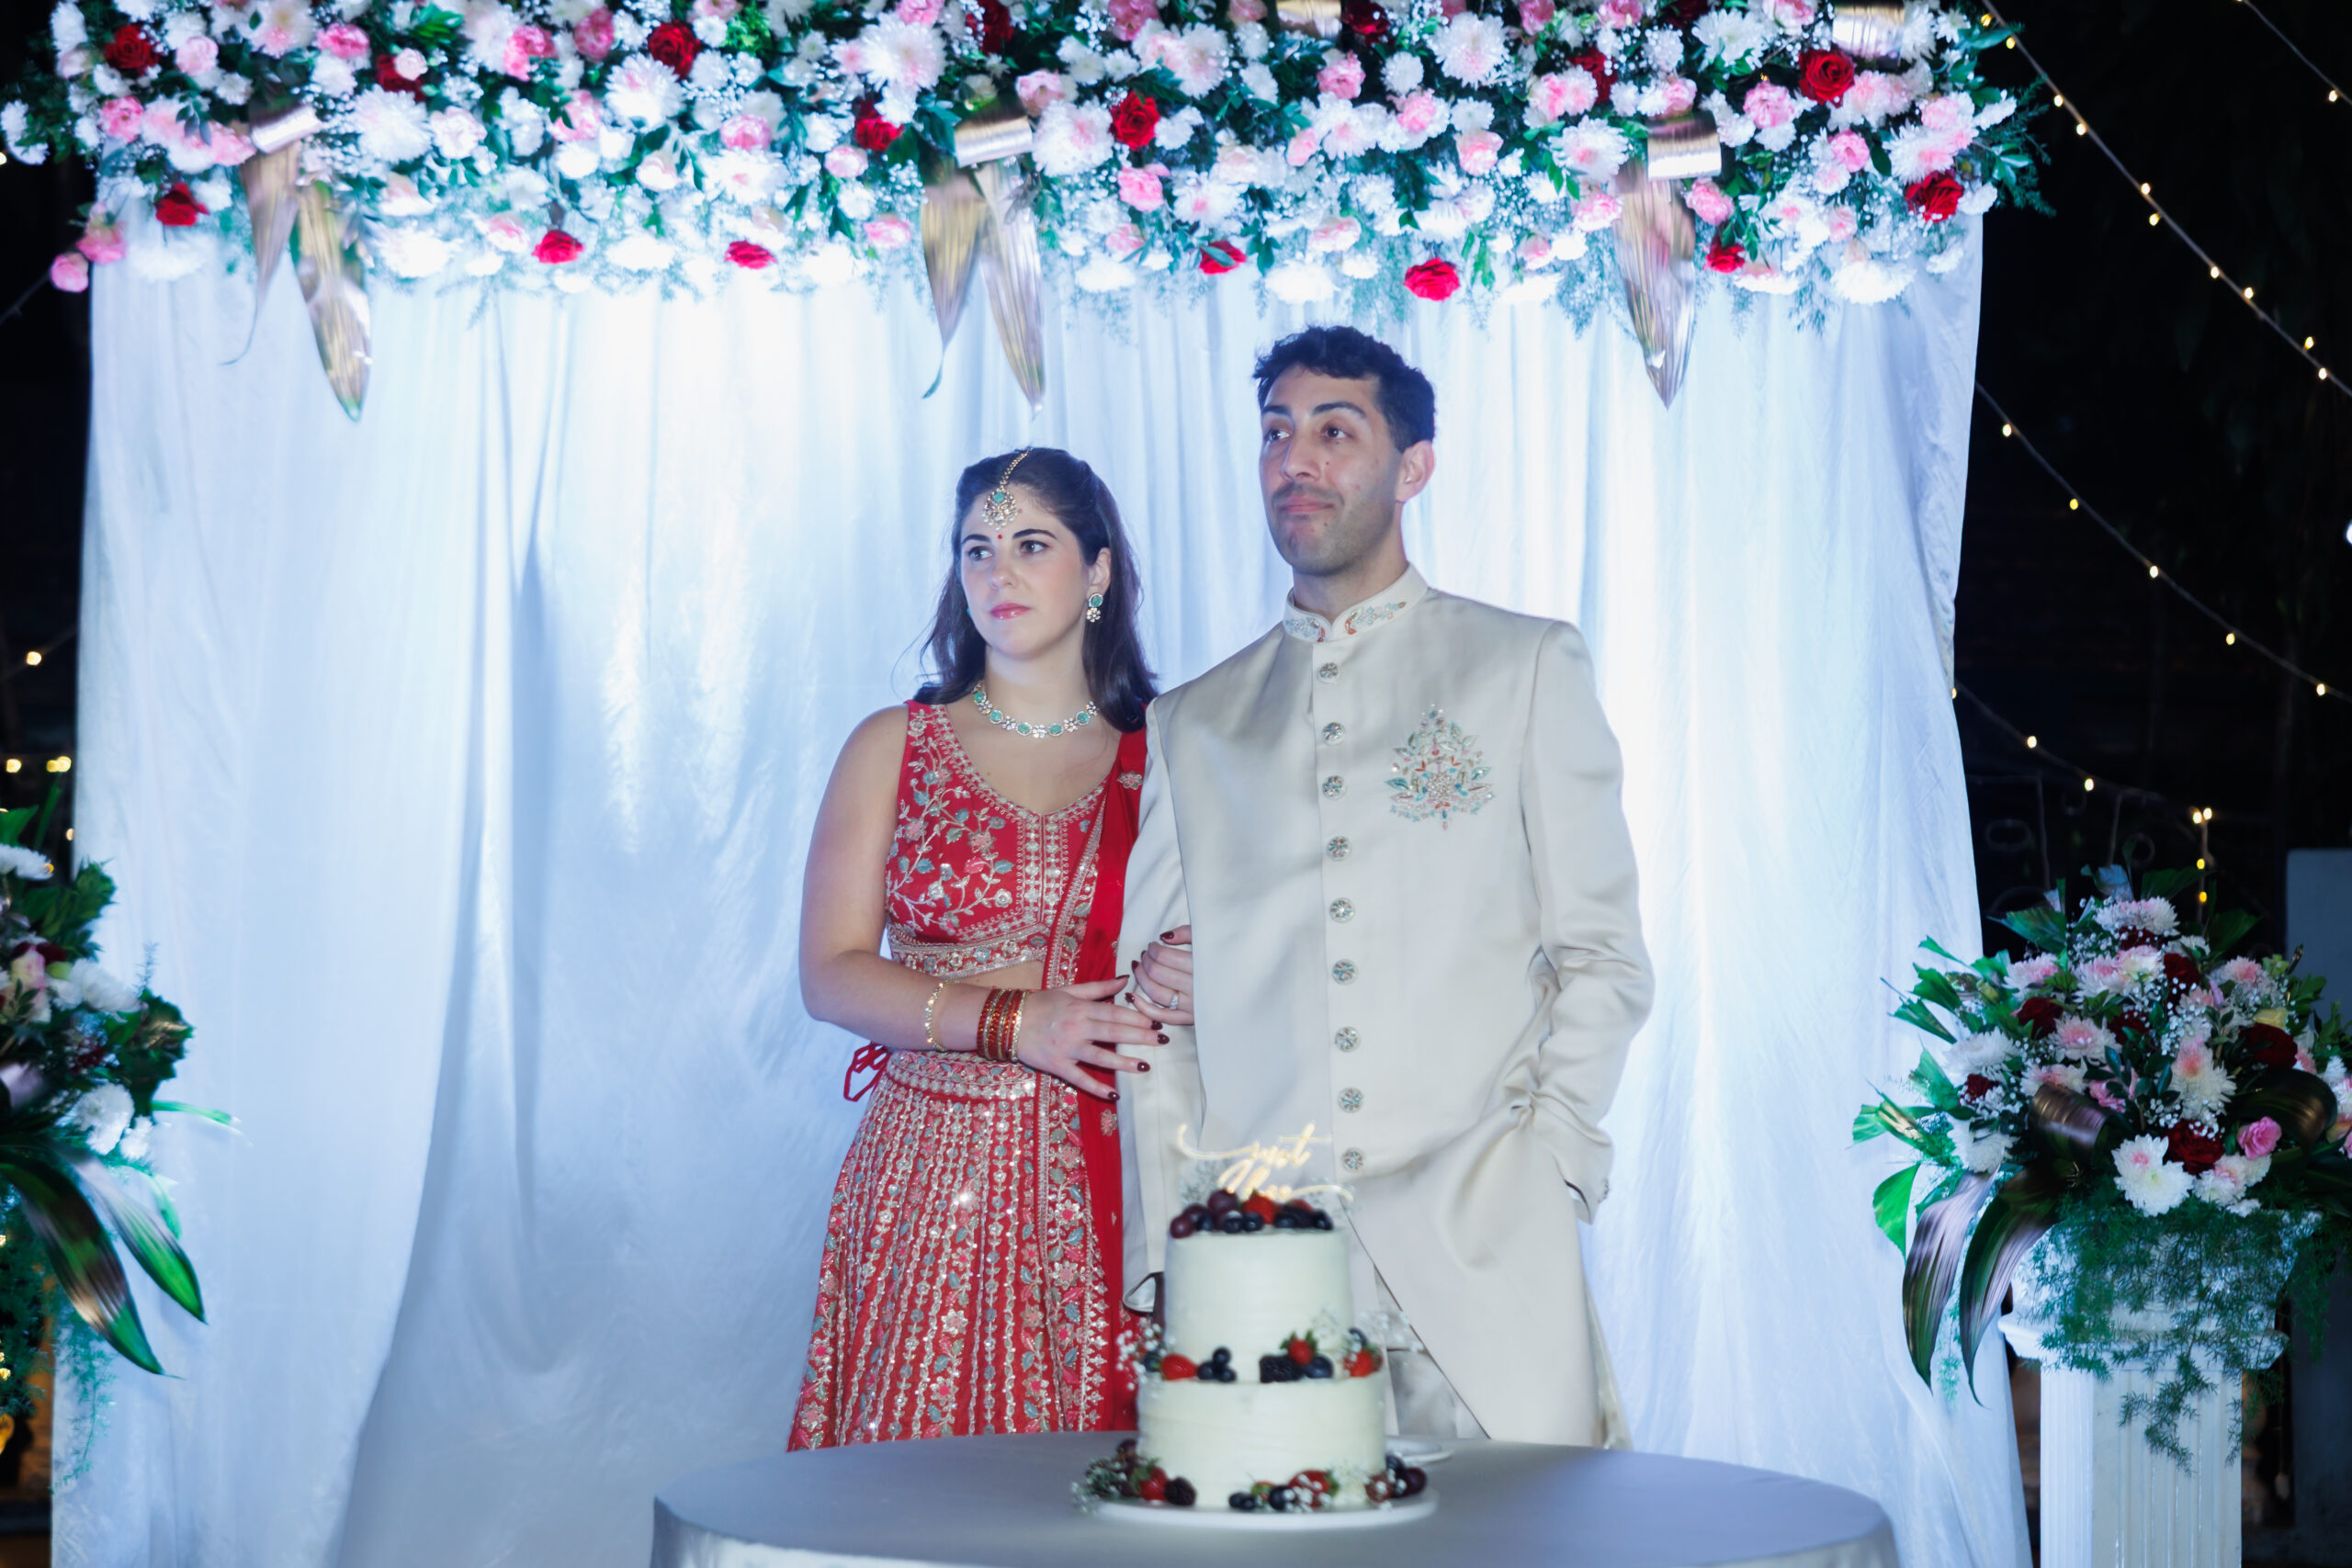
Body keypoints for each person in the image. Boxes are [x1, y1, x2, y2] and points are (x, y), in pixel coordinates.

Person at [1117, 326, 1654, 1446]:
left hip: (1486, 1239)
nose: (1295, 460)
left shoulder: (1522, 665)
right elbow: (1153, 1028)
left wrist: (1550, 1162)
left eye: (1334, 431)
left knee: (1528, 1530)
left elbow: (1600, 954)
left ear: (1413, 467)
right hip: (1265, 1265)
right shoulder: (1193, 724)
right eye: (1276, 433)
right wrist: (1175, 1249)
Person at [790, 447, 1164, 1449]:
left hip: (1118, 1161)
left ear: (1097, 570)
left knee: (1105, 1481)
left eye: (1031, 544)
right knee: (918, 1478)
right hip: (932, 1171)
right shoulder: (895, 745)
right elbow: (830, 973)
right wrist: (1013, 1022)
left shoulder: (1167, 754)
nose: (999, 573)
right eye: (977, 550)